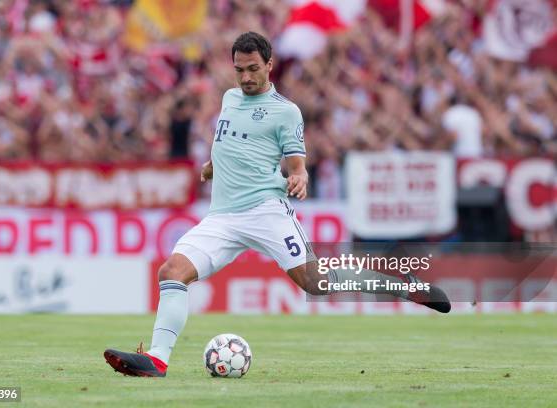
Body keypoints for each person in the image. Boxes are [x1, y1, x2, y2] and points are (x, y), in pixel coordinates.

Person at [104, 32, 451, 378]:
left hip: (266, 210)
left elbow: (297, 163)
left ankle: (403, 286)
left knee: (316, 281)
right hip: (222, 217)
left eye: (254, 68)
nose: (246, 78)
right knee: (171, 272)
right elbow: (228, 142)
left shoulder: (286, 112)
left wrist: (299, 177)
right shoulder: (229, 98)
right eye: (240, 70)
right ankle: (157, 360)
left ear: (270, 65)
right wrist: (213, 166)